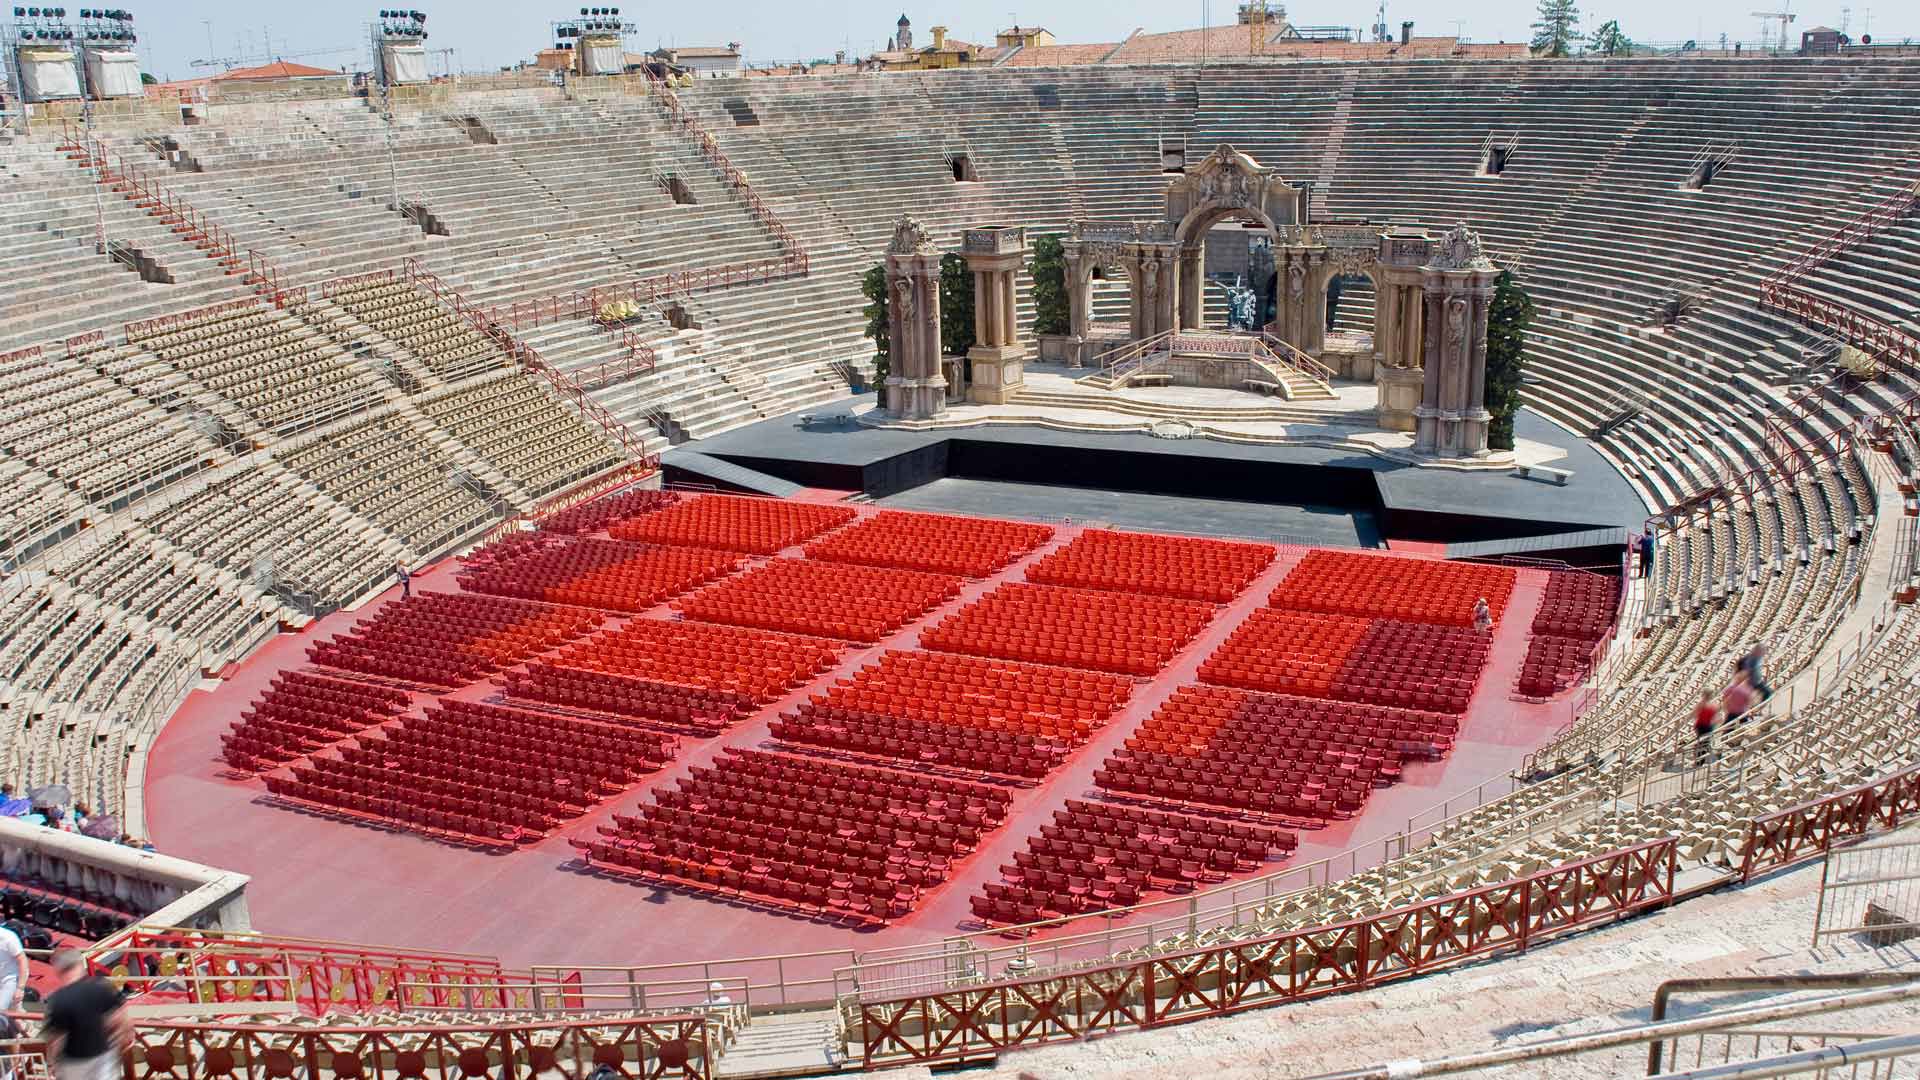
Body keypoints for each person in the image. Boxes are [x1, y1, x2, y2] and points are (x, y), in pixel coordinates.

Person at [40, 949, 129, 1080]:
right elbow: (121, 1018)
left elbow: (55, 1039)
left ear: (59, 972)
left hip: (73, 1064)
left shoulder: (57, 1000)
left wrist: (52, 1064)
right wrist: (122, 1042)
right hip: (103, 1059)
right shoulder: (102, 986)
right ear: (80, 965)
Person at [0, 921, 24, 1013]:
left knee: (2, 1013)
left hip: (8, 980)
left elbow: (23, 961)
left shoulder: (8, 937)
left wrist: (20, 988)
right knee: (15, 1017)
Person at [1692, 692, 1719, 767]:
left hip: (1700, 725)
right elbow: (1715, 717)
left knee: (1700, 743)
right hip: (1709, 726)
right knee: (1704, 743)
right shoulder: (1714, 705)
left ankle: (1698, 761)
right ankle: (1701, 761)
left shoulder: (1701, 704)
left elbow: (1695, 714)